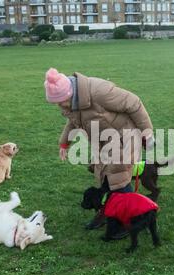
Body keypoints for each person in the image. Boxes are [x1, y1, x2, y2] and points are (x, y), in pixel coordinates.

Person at [44, 68, 155, 234]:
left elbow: (134, 103)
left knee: (119, 181)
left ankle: (128, 221)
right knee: (104, 179)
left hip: (125, 137)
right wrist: (64, 143)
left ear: (69, 92)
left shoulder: (99, 92)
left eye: (60, 102)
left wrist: (147, 133)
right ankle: (106, 212)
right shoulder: (73, 102)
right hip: (104, 142)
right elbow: (73, 121)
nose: (59, 106)